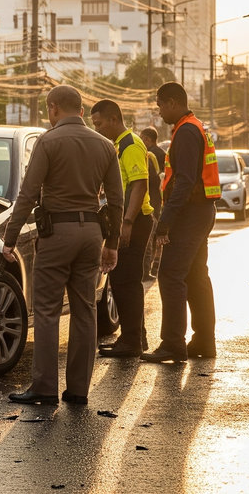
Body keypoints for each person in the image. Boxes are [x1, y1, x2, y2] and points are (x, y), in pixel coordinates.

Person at [1, 85, 122, 405]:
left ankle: (44, 387)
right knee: (85, 311)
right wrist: (112, 243)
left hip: (56, 235)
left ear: (54, 108)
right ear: (81, 111)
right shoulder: (106, 145)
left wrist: (10, 238)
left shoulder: (47, 141)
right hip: (91, 234)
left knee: (47, 311)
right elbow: (116, 201)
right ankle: (79, 390)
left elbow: (27, 195)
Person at [142, 82, 220, 363]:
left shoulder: (186, 132)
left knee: (171, 275)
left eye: (161, 105)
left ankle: (173, 343)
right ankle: (203, 342)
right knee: (196, 277)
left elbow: (185, 181)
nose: (160, 111)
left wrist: (165, 221)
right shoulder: (193, 126)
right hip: (201, 211)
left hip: (190, 214)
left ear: (173, 102)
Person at [90, 100, 154, 358]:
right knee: (122, 280)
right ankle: (137, 337)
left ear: (114, 118)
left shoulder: (130, 144)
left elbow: (139, 185)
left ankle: (131, 341)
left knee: (126, 281)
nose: (97, 129)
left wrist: (126, 223)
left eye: (99, 123)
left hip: (135, 221)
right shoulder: (119, 145)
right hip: (128, 219)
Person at [139, 126, 166, 281]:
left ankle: (147, 270)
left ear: (148, 139)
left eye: (142, 138)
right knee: (154, 237)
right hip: (157, 200)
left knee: (150, 238)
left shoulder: (150, 155)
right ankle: (152, 267)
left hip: (151, 201)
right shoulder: (161, 153)